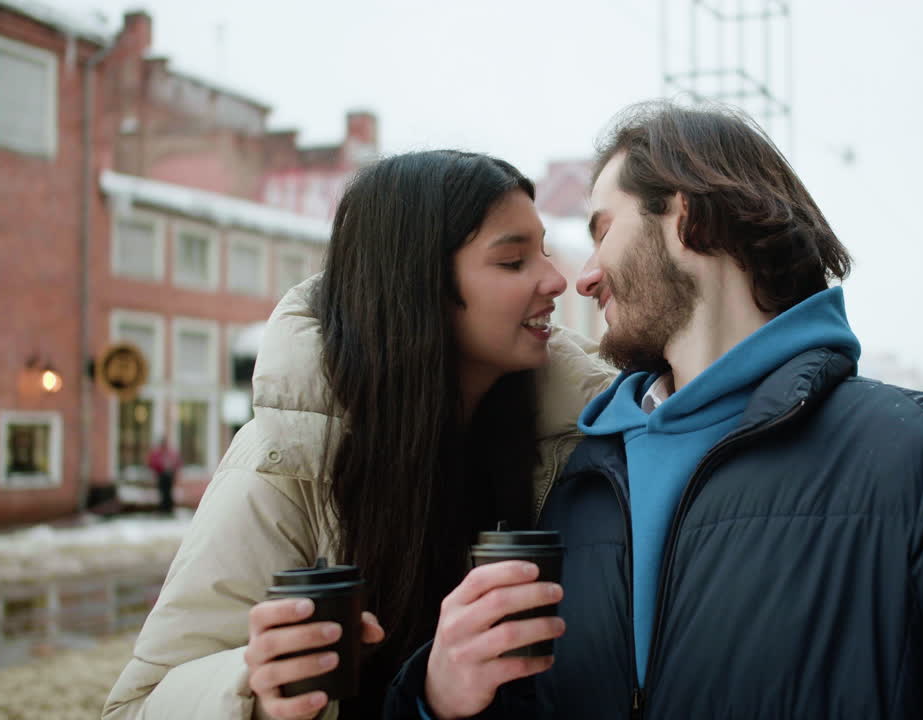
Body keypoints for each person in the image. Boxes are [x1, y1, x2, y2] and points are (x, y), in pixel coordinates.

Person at [387, 103, 923, 719]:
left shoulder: (916, 459)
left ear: (687, 218)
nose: (583, 274)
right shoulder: (579, 478)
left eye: (602, 229)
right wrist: (433, 701)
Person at [103, 151, 615, 719]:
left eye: (543, 250)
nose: (556, 279)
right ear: (419, 286)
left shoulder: (576, 438)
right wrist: (256, 691)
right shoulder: (286, 460)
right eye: (514, 261)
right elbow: (136, 706)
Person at [146, 437, 181, 514]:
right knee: (163, 493)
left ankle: (168, 508)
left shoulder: (170, 453)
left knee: (168, 493)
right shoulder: (157, 453)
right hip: (161, 476)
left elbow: (177, 463)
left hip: (169, 476)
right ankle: (164, 508)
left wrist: (172, 470)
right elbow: (152, 463)